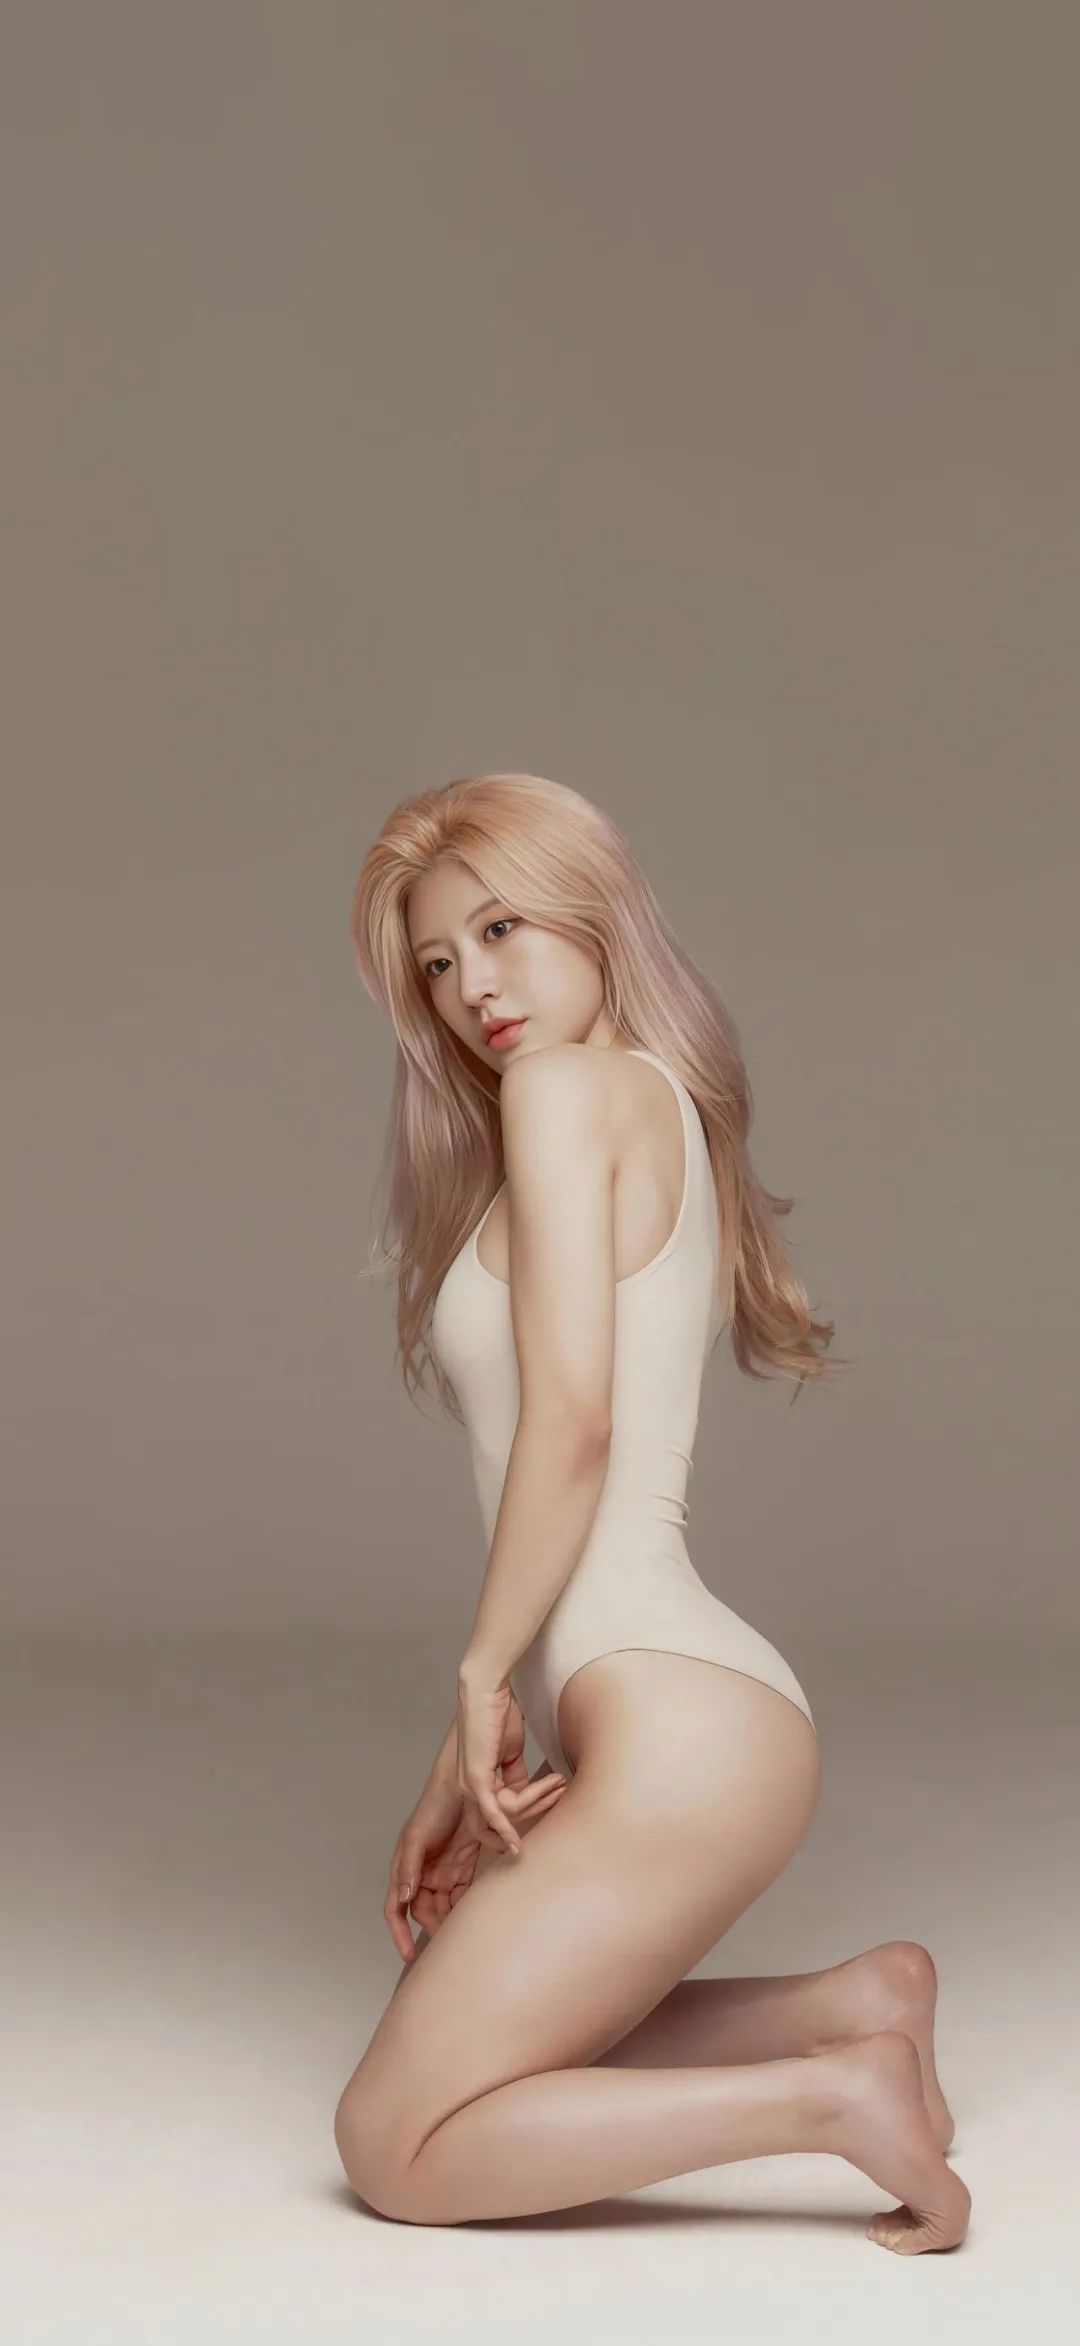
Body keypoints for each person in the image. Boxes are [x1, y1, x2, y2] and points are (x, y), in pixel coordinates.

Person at [333, 772, 969, 2253]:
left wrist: (480, 1676)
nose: (473, 987)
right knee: (465, 2030)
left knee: (394, 2143)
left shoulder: (565, 1093)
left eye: (503, 928)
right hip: (679, 1697)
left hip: (679, 1722)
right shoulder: (645, 1098)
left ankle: (830, 2097)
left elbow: (574, 1426)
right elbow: (572, 1484)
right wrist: (458, 1761)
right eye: (438, 961)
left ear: (593, 910)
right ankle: (857, 2004)